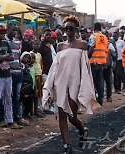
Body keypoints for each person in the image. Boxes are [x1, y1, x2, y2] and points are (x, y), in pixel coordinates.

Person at [42, 15, 96, 153]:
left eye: (71, 28)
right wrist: (50, 84)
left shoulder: (82, 45)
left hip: (75, 84)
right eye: (66, 29)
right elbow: (55, 67)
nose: (68, 31)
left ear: (76, 29)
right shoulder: (60, 46)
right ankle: (67, 146)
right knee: (61, 115)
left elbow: (85, 68)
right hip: (60, 83)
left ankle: (83, 130)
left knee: (72, 117)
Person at [0, 25, 22, 131]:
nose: (2, 35)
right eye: (0, 33)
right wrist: (5, 56)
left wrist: (3, 57)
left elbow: (12, 57)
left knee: (9, 98)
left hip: (7, 74)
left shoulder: (6, 43)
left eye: (3, 33)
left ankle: (10, 120)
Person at [88, 22, 108, 106]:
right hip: (102, 62)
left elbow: (91, 48)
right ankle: (100, 100)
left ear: (94, 28)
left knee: (91, 82)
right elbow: (106, 50)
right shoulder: (105, 37)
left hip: (93, 62)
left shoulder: (93, 36)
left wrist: (87, 57)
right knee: (100, 82)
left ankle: (92, 101)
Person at [103, 31, 117, 102]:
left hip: (107, 65)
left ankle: (108, 97)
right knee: (102, 82)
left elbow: (114, 54)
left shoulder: (109, 44)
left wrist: (114, 62)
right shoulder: (103, 44)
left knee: (108, 82)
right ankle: (102, 97)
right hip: (102, 65)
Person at [31, 40, 44, 117]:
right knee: (34, 94)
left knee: (38, 95)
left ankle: (37, 111)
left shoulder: (39, 54)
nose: (37, 46)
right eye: (35, 44)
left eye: (38, 44)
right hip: (33, 74)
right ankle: (32, 112)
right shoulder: (31, 54)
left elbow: (40, 63)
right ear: (32, 45)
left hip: (39, 74)